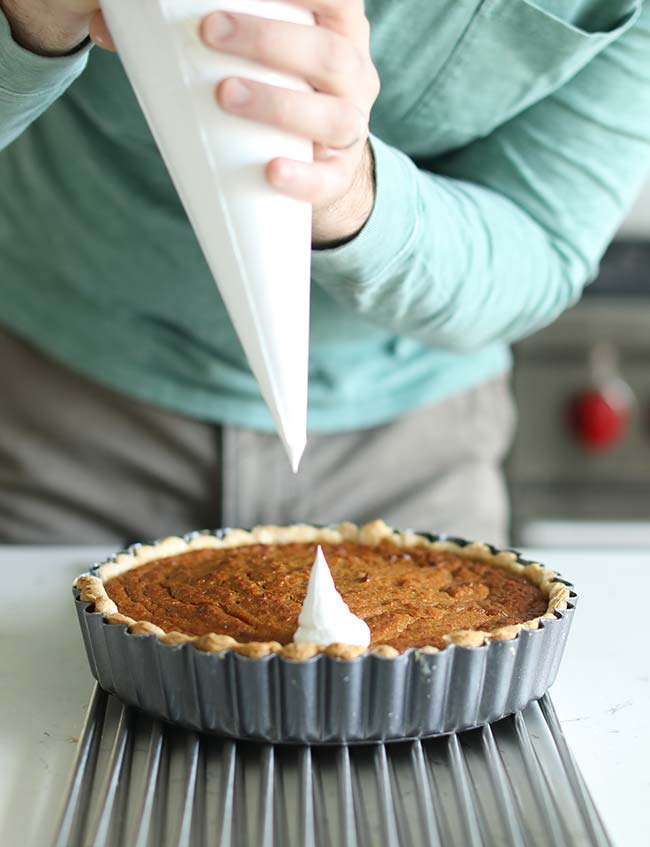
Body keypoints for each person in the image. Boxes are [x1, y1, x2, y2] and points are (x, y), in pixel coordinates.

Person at [0, 0, 649, 546]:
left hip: (408, 449)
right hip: (62, 410)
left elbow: (542, 242)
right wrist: (29, 30)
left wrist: (350, 193)